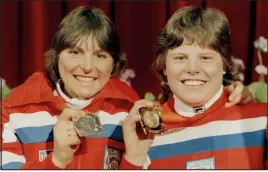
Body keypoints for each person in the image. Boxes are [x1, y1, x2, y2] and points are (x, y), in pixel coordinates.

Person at [1, 6, 254, 170]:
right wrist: (56, 161)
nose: (87, 67)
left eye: (100, 56)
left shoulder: (128, 111)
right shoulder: (13, 113)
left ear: (114, 64)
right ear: (57, 57)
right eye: (75, 52)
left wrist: (133, 160)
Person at [121, 6, 267, 169]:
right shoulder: (143, 134)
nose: (192, 68)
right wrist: (134, 159)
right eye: (180, 57)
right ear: (164, 67)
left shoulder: (260, 120)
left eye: (205, 57)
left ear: (225, 64)